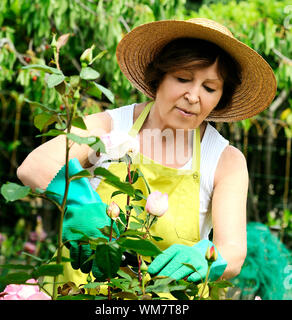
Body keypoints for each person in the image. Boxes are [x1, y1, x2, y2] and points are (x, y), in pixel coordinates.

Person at [17, 18, 277, 289]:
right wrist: (82, 205)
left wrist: (206, 257)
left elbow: (233, 250)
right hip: (78, 291)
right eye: (182, 78)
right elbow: (34, 166)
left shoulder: (226, 161)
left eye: (209, 88)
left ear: (220, 98)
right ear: (159, 76)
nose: (193, 96)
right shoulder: (111, 126)